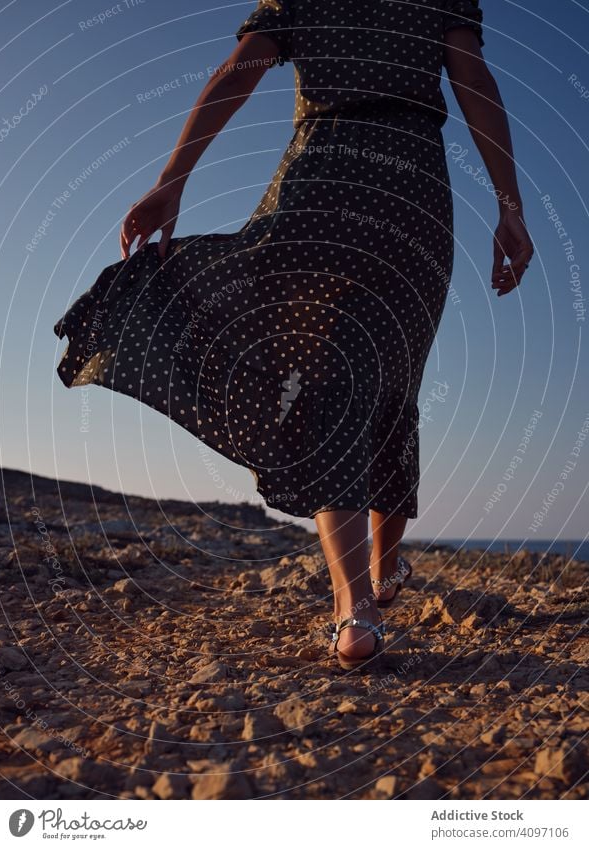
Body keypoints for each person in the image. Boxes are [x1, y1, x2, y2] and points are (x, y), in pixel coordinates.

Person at [54, 1, 533, 671]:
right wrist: (510, 208)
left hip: (322, 179)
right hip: (412, 187)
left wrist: (173, 179)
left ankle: (358, 602)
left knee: (332, 378)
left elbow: (235, 74)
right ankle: (378, 574)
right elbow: (473, 81)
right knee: (390, 376)